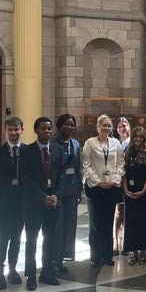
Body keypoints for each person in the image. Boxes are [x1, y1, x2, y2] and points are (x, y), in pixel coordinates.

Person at [21, 117, 64, 290]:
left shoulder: (57, 149)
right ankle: (31, 275)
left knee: (50, 239)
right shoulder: (27, 151)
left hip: (52, 201)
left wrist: (56, 195)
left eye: (49, 129)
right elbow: (25, 178)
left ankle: (47, 272)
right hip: (34, 202)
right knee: (32, 240)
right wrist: (41, 196)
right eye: (43, 128)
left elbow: (61, 175)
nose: (47, 131)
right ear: (36, 130)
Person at [0, 116, 27, 290]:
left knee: (17, 238)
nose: (13, 133)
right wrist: (1, 194)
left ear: (21, 130)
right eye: (10, 130)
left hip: (21, 203)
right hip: (4, 204)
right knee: (3, 238)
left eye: (16, 129)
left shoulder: (28, 151)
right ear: (5, 131)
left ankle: (12, 269)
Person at [82, 114, 125, 268]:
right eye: (103, 125)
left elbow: (120, 163)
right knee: (95, 223)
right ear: (98, 127)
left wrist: (115, 180)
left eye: (108, 125)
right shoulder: (90, 143)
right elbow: (86, 166)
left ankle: (107, 255)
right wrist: (98, 181)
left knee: (108, 222)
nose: (106, 128)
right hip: (95, 188)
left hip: (111, 187)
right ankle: (95, 255)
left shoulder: (116, 143)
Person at [52, 113, 83, 273]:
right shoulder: (51, 143)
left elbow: (78, 168)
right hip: (57, 190)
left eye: (72, 125)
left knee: (70, 224)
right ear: (59, 125)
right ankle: (54, 258)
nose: (69, 127)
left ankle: (65, 256)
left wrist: (80, 190)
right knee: (57, 226)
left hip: (72, 189)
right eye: (66, 124)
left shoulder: (76, 144)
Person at [123, 126, 146, 265]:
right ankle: (133, 252)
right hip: (130, 192)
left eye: (140, 137)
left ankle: (143, 252)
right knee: (131, 223)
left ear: (144, 138)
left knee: (143, 222)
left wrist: (143, 190)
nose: (137, 139)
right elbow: (123, 173)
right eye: (135, 136)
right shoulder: (128, 152)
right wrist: (125, 189)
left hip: (144, 193)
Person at [113, 117, 131, 255]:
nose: (122, 128)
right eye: (119, 126)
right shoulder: (113, 143)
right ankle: (115, 241)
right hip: (116, 180)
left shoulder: (132, 143)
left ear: (128, 127)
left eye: (124, 126)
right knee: (118, 212)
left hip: (130, 180)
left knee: (128, 212)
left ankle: (126, 240)